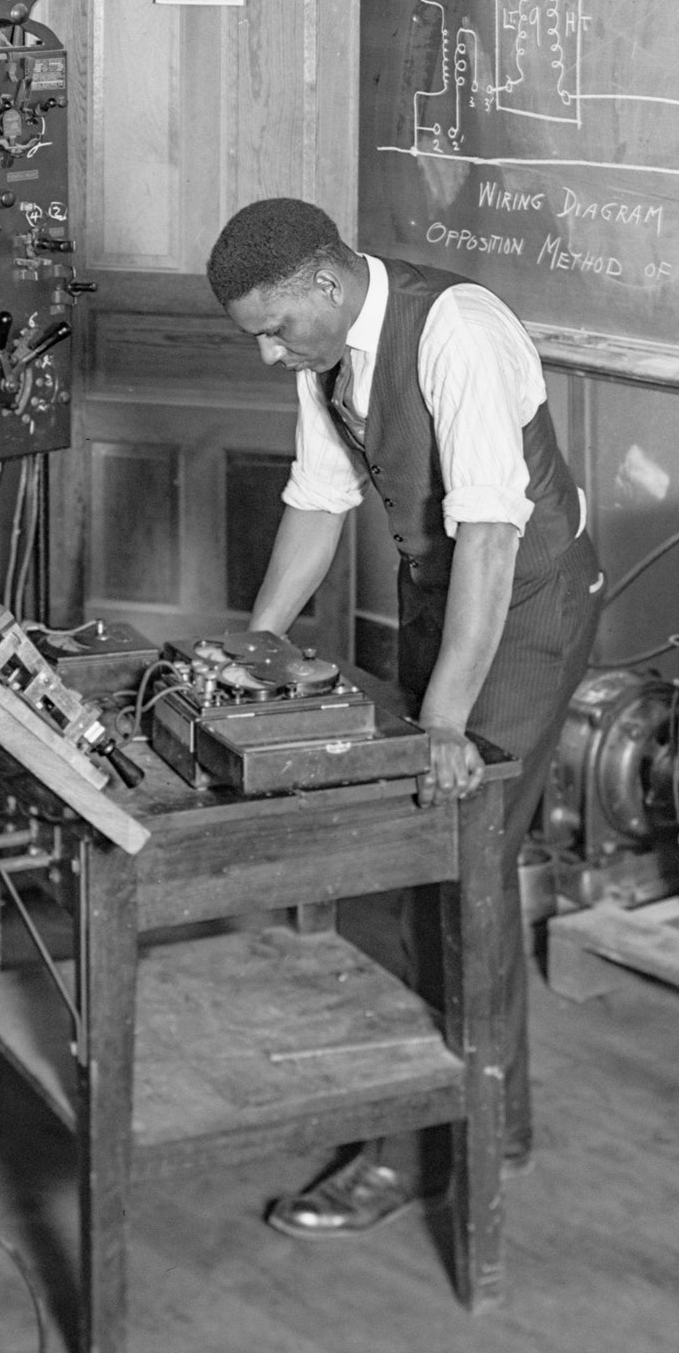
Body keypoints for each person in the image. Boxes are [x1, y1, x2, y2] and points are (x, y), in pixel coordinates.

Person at [205, 198, 602, 1237]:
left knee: (440, 857)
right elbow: (316, 498)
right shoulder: (326, 351)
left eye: (274, 328)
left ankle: (409, 1153)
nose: (264, 353)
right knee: (460, 867)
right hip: (455, 600)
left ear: (326, 288)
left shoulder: (457, 330)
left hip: (525, 609)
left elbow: (489, 544)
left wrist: (444, 727)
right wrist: (254, 638)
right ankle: (491, 1117)